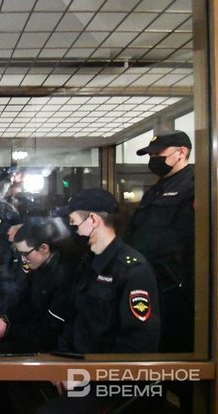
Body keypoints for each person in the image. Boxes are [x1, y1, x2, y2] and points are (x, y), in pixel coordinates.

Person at [37, 188, 160, 413]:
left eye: (74, 224)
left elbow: (138, 346)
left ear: (93, 220)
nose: (72, 230)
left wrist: (85, 376)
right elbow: (74, 320)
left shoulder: (132, 270)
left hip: (110, 381)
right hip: (80, 366)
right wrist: (62, 363)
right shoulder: (88, 263)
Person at [0, 218, 77, 414]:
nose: (22, 260)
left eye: (24, 254)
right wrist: (4, 319)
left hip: (53, 340)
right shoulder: (39, 267)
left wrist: (9, 330)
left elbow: (49, 329)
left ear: (44, 248)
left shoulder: (63, 276)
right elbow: (25, 302)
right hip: (36, 329)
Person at [124, 130, 194, 353]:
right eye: (151, 155)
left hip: (176, 284)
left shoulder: (195, 185)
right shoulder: (155, 189)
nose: (153, 159)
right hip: (149, 279)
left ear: (181, 152)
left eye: (158, 154)